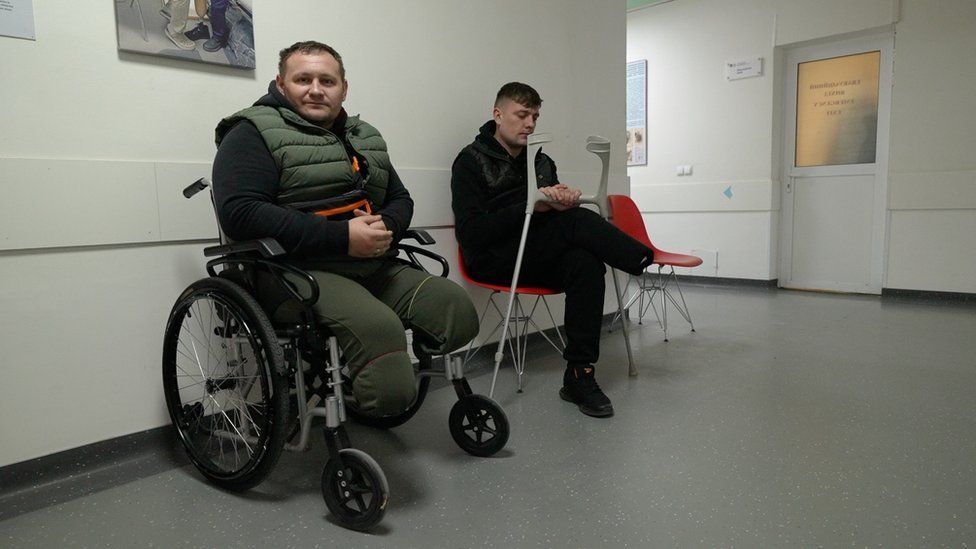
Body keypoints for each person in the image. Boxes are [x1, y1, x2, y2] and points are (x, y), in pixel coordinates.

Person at [212, 41, 479, 418]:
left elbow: (400, 197)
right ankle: (375, 407)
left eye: (327, 80)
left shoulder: (362, 135)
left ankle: (372, 377)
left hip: (373, 263)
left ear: (344, 88)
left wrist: (386, 226)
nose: (316, 89)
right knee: (379, 330)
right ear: (281, 84)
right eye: (303, 79)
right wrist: (343, 237)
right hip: (295, 271)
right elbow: (241, 213)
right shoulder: (250, 132)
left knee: (453, 307)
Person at [451, 82, 654, 418]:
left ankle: (579, 374)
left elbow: (549, 225)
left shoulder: (541, 161)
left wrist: (558, 201)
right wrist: (534, 207)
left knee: (585, 262)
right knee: (577, 222)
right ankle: (638, 257)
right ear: (498, 115)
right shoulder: (470, 161)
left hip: (535, 252)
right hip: (493, 258)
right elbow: (472, 233)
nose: (530, 123)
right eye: (522, 114)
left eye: (535, 116)